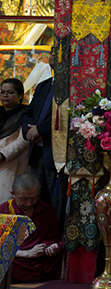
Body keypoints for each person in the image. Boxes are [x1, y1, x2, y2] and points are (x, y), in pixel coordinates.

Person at [0, 173, 63, 282]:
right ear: (13, 194)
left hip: (40, 262)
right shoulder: (4, 211)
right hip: (16, 262)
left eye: (34, 198)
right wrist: (27, 253)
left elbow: (54, 238)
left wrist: (51, 247)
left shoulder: (47, 211)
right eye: (23, 199)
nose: (29, 203)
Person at [20, 76, 61, 222]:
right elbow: (27, 113)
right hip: (37, 152)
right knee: (36, 199)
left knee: (55, 201)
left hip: (55, 153)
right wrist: (28, 131)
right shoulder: (44, 85)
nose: (53, 56)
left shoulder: (71, 84)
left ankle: (54, 238)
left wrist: (40, 130)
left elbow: (64, 116)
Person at [0, 79, 29, 203]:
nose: (5, 95)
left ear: (20, 95)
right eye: (2, 92)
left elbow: (24, 139)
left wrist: (3, 155)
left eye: (10, 92)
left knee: (7, 202)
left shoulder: (25, 113)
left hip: (13, 163)